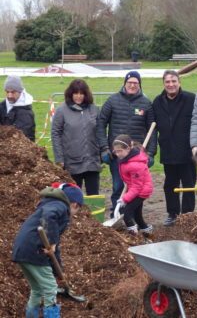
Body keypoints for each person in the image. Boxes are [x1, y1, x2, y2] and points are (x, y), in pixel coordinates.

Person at [12, 182, 84, 318]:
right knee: (50, 288)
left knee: (37, 289)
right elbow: (49, 217)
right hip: (34, 251)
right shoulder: (60, 206)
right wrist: (52, 242)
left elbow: (54, 251)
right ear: (75, 205)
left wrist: (59, 272)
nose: (74, 214)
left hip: (22, 250)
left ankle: (31, 315)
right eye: (77, 210)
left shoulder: (50, 204)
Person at [96, 71, 156, 217]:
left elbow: (152, 129)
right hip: (117, 154)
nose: (132, 85)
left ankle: (133, 215)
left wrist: (150, 152)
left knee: (137, 186)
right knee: (118, 186)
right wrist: (104, 148)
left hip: (136, 155)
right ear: (125, 83)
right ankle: (116, 214)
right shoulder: (112, 101)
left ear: (139, 85)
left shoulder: (146, 104)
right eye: (130, 82)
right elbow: (100, 123)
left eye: (136, 83)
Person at [152, 70, 196, 227]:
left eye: (173, 81)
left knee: (189, 183)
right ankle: (172, 213)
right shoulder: (157, 102)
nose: (171, 85)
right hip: (168, 150)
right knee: (170, 184)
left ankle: (187, 214)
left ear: (179, 82)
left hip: (188, 151)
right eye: (167, 82)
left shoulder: (191, 99)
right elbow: (153, 126)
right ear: (163, 84)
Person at [51, 79, 101, 195]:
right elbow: (55, 133)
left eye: (81, 93)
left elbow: (100, 131)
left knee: (93, 196)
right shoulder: (62, 111)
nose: (79, 96)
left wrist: (102, 151)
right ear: (71, 94)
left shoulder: (93, 109)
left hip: (92, 162)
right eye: (76, 93)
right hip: (72, 163)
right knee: (73, 198)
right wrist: (59, 158)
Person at [113, 134, 154, 236]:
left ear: (128, 148)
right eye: (115, 151)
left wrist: (125, 199)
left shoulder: (136, 165)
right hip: (135, 188)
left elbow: (137, 187)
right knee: (137, 215)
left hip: (141, 191)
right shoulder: (126, 158)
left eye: (120, 151)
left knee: (127, 214)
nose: (118, 154)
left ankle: (133, 236)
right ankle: (147, 231)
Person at [0, 75, 35, 141]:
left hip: (21, 148)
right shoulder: (2, 106)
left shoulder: (25, 112)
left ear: (20, 92)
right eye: (7, 92)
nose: (9, 95)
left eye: (13, 92)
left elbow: (20, 137)